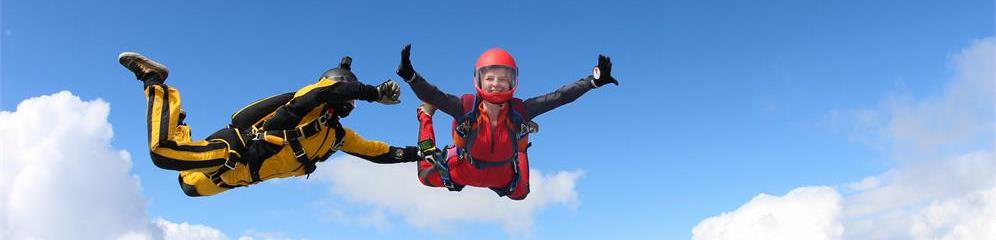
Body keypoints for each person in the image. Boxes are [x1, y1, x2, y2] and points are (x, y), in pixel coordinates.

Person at [119, 52, 420, 197]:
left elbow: (378, 152)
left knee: (186, 180)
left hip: (221, 179)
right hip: (232, 153)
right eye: (349, 95)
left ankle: (179, 118)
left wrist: (420, 153)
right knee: (162, 153)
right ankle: (154, 79)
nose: (350, 104)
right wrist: (372, 93)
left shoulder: (337, 136)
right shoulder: (306, 103)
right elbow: (326, 91)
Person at [396, 44, 619, 200]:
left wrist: (593, 81)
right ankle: (425, 116)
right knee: (424, 174)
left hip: (504, 177)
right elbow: (434, 95)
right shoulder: (464, 106)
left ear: (513, 81)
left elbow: (560, 97)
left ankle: (521, 142)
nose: (496, 84)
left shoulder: (521, 109)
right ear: (479, 80)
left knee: (522, 194)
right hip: (462, 170)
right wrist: (411, 77)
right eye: (490, 78)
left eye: (503, 79)